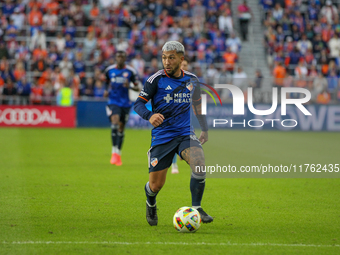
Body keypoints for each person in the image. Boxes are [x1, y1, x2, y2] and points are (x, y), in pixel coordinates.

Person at [134, 41, 213, 226]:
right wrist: (150, 115)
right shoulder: (156, 80)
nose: (166, 62)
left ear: (181, 59)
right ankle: (150, 201)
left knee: (199, 163)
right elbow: (138, 103)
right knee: (155, 186)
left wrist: (205, 128)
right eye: (163, 58)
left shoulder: (192, 80)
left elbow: (197, 106)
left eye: (171, 58)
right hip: (162, 137)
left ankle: (197, 208)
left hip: (185, 133)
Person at [104, 51, 140, 166]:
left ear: (125, 59)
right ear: (115, 58)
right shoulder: (109, 70)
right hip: (113, 101)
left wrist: (129, 86)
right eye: (118, 57)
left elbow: (137, 87)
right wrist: (106, 90)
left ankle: (118, 154)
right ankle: (113, 152)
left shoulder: (130, 71)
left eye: (122, 57)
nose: (120, 59)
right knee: (115, 121)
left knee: (121, 128)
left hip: (125, 103)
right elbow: (106, 82)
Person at [170, 57, 190, 174]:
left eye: (186, 65)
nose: (184, 67)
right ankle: (174, 166)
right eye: (182, 65)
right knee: (173, 138)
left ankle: (180, 153)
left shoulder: (190, 80)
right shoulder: (171, 80)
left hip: (185, 117)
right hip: (172, 116)